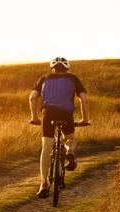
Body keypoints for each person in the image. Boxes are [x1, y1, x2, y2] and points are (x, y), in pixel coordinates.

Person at [29, 57, 90, 198]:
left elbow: (32, 97)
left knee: (46, 148)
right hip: (66, 112)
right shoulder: (73, 78)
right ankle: (69, 151)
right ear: (67, 68)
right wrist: (85, 119)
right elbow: (84, 99)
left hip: (48, 112)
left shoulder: (43, 78)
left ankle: (43, 184)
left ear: (53, 68)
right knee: (69, 137)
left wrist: (35, 118)